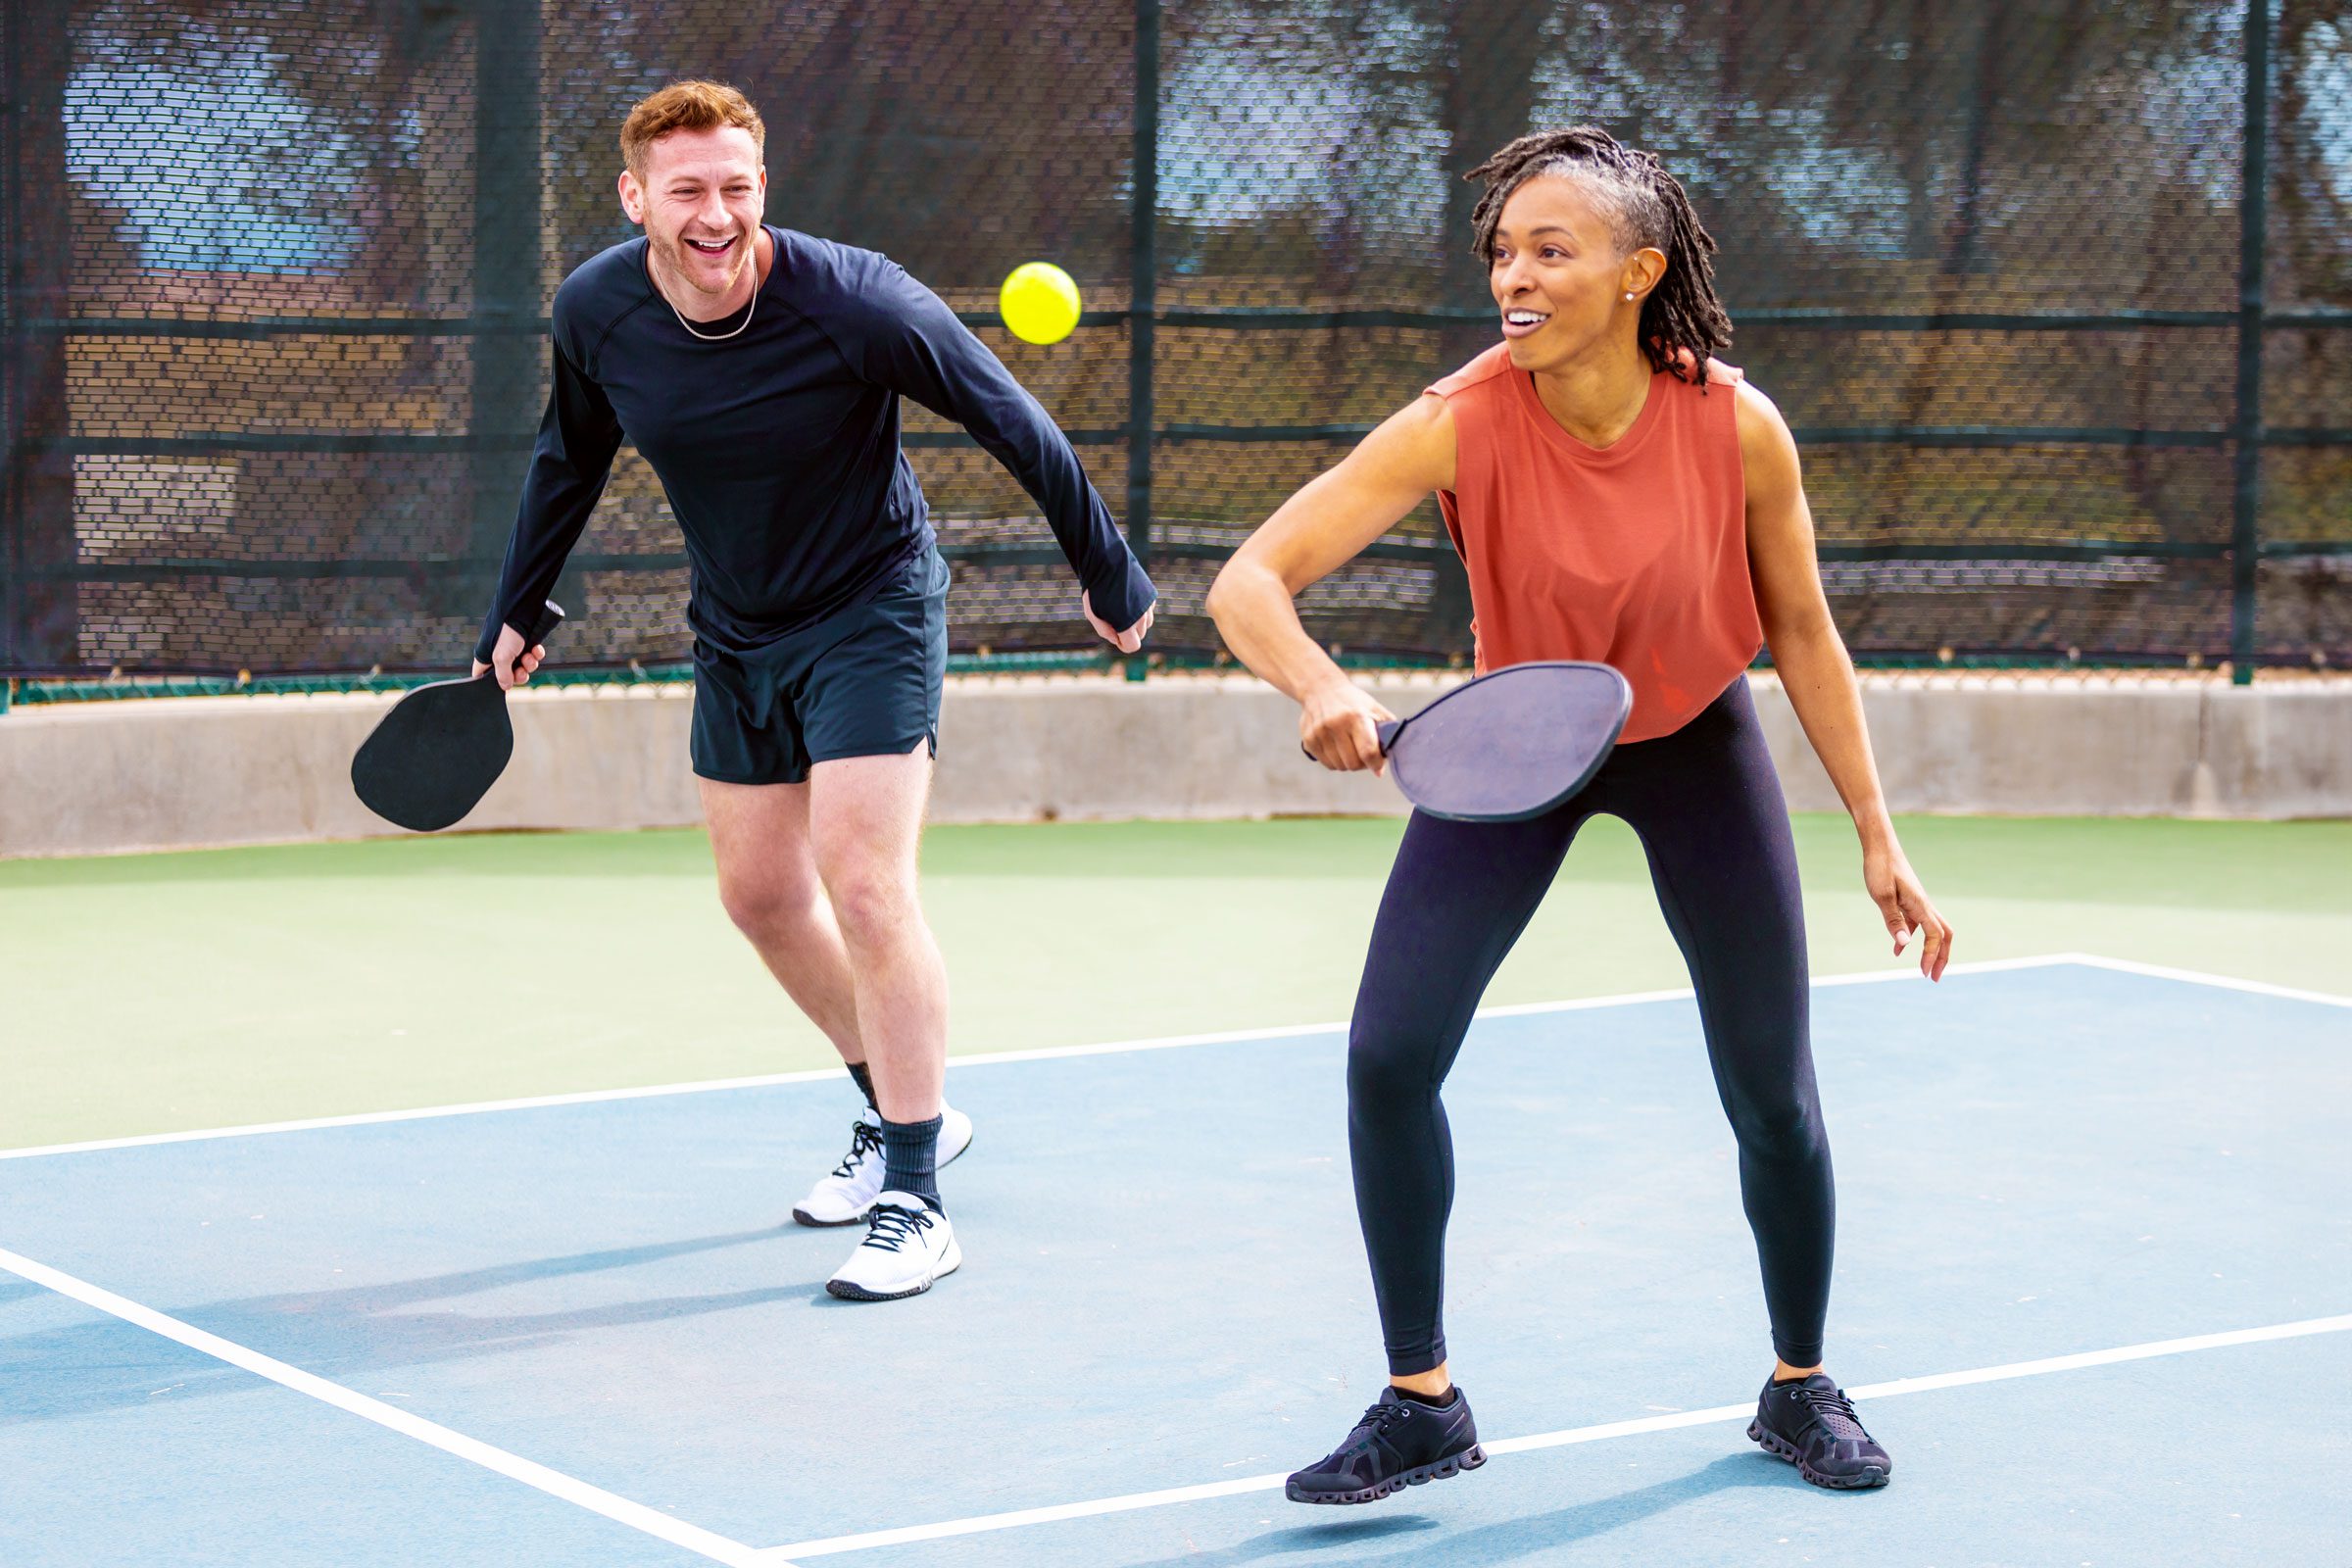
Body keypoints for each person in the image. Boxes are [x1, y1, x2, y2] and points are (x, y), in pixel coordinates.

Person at [1206, 126, 1952, 1498]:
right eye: (1503, 251)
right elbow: (1250, 579)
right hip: (1522, 745)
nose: (1516, 276)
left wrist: (1877, 831)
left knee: (1772, 1099)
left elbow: (1803, 632)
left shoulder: (1736, 424)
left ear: (1637, 272)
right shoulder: (1459, 418)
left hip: (1694, 741)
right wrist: (1317, 682)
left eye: (1553, 250)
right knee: (1387, 1059)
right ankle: (1421, 1400)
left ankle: (1801, 1385)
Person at [472, 80, 1154, 1301]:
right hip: (737, 625)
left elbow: (1013, 419)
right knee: (759, 895)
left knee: (864, 877)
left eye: (737, 186)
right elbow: (568, 451)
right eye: (688, 190)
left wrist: (1107, 569)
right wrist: (518, 605)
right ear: (636, 200)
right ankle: (907, 1114)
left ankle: (917, 1200)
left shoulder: (857, 301)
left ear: (762, 190)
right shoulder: (600, 309)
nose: (716, 213)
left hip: (873, 607)